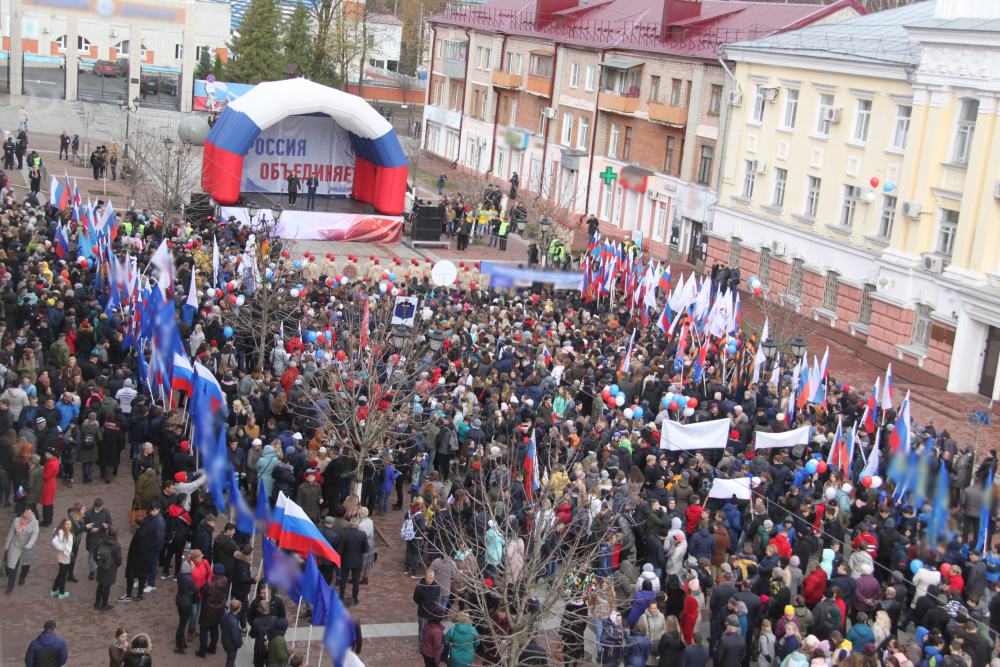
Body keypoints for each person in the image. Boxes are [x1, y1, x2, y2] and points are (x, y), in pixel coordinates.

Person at [196, 563, 229, 657]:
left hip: (208, 610)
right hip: (219, 610)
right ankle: (213, 648)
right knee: (214, 629)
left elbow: (202, 590)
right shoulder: (225, 580)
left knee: (203, 630)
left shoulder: (209, 585)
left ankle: (202, 651)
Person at [4, 507, 38, 592]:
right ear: (22, 513)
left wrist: (29, 545)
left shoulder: (35, 522)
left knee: (26, 563)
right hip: (15, 545)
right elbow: (11, 534)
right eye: (26, 513)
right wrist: (7, 546)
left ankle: (22, 577)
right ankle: (10, 586)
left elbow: (34, 535)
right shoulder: (16, 521)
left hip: (27, 547)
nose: (28, 515)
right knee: (12, 566)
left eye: (30, 513)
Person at [94, 525, 123, 611]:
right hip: (110, 568)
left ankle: (97, 603)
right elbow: (119, 559)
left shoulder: (101, 542)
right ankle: (104, 605)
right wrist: (116, 566)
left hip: (101, 566)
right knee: (107, 587)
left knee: (100, 585)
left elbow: (95, 554)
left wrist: (98, 562)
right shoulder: (116, 545)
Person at [49, 517, 73, 598]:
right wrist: (61, 548)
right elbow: (54, 541)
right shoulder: (61, 532)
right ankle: (61, 593)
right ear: (63, 524)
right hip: (64, 554)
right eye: (66, 524)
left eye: (70, 524)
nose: (69, 526)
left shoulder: (62, 531)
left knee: (60, 573)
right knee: (63, 574)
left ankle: (54, 589)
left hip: (64, 553)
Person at [220, 600, 244, 667]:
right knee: (230, 662)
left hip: (225, 641)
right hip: (231, 646)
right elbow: (235, 637)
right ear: (238, 609)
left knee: (230, 660)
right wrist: (240, 643)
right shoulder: (234, 622)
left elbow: (221, 626)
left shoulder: (225, 615)